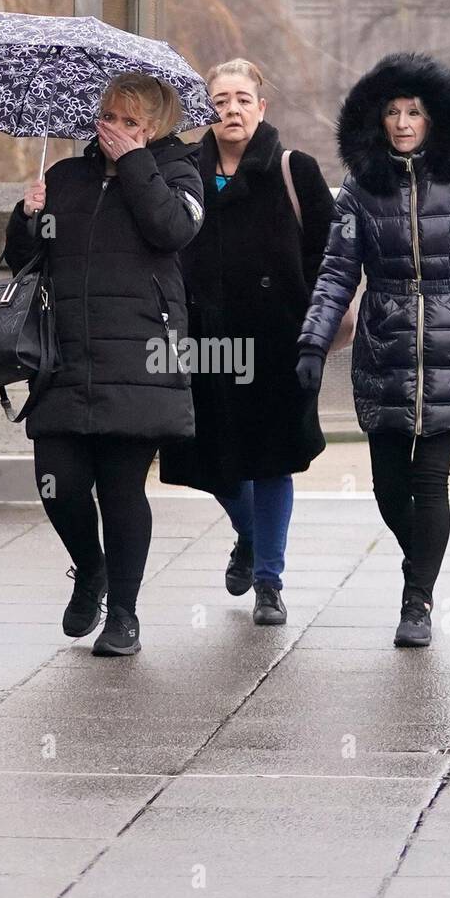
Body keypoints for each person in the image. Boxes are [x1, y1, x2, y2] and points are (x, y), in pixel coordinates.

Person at [297, 52, 450, 648]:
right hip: (384, 343)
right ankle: (419, 563)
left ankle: (416, 598)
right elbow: (337, 270)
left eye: (413, 111)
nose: (401, 122)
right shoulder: (360, 187)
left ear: (433, 117)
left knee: (432, 480)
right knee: (389, 488)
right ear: (376, 118)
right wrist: (315, 339)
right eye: (392, 111)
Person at [3, 73, 204, 656]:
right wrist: (27, 213)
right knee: (58, 485)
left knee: (120, 489)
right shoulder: (68, 176)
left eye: (130, 121)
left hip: (140, 357)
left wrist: (138, 164)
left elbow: (172, 230)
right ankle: (89, 569)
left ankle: (124, 614)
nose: (113, 129)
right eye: (109, 117)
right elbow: (25, 258)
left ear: (155, 128)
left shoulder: (178, 174)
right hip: (63, 355)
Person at [160, 58, 335, 625]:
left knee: (271, 460)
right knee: (208, 462)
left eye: (241, 99)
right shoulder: (185, 170)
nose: (230, 109)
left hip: (278, 341)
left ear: (261, 107)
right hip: (203, 344)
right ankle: (250, 536)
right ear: (206, 111)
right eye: (219, 101)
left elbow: (328, 256)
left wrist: (311, 324)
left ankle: (269, 582)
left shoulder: (294, 169)